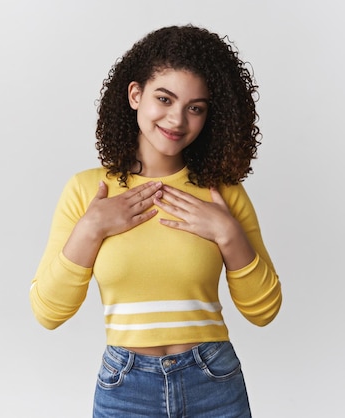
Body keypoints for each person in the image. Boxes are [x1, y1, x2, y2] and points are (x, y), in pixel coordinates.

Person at [29, 25, 282, 417]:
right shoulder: (86, 191)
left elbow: (264, 311)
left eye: (195, 107)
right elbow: (48, 312)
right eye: (164, 99)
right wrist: (91, 228)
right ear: (135, 95)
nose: (177, 119)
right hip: (125, 387)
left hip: (213, 381)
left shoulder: (223, 194)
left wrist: (228, 234)